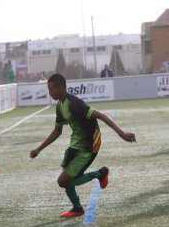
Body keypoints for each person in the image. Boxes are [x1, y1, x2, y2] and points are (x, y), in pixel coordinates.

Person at [29, 73, 136, 217]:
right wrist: (39, 149)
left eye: (51, 89)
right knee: (66, 179)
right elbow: (57, 131)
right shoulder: (60, 106)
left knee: (63, 181)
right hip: (75, 144)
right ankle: (77, 208)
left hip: (89, 145)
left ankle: (101, 173)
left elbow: (101, 115)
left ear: (61, 88)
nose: (50, 93)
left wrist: (121, 133)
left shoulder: (75, 104)